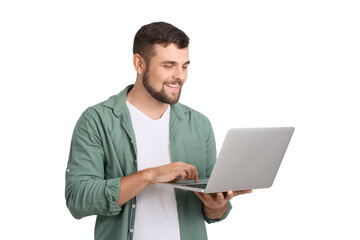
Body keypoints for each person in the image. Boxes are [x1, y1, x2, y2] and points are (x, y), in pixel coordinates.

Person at [65, 21, 252, 240]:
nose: (179, 76)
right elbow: (77, 199)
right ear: (139, 64)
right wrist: (150, 175)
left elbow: (213, 213)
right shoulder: (97, 120)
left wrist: (216, 205)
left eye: (184, 66)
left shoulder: (199, 124)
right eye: (168, 65)